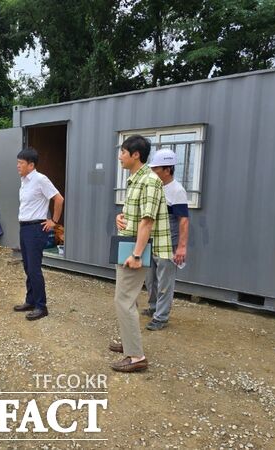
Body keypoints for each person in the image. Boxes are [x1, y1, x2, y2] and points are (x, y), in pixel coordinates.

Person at [110, 135, 172, 372]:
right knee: (128, 298)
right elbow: (136, 216)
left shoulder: (149, 181)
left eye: (123, 152)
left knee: (123, 300)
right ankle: (129, 343)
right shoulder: (136, 179)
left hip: (135, 249)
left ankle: (136, 357)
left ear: (136, 155)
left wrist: (136, 255)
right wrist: (120, 217)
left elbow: (147, 221)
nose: (120, 156)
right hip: (128, 244)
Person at [13, 147, 64, 321]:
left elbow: (59, 199)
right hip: (25, 228)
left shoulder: (41, 179)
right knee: (28, 266)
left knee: (34, 268)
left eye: (21, 163)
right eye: (18, 162)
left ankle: (41, 307)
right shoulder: (24, 181)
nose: (18, 166)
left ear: (31, 164)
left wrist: (54, 221)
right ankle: (31, 300)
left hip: (36, 229)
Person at [144, 149, 189, 329]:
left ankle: (161, 317)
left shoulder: (177, 190)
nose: (153, 172)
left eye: (156, 169)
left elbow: (183, 220)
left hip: (169, 243)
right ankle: (154, 306)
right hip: (152, 240)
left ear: (167, 169)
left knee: (165, 281)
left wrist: (181, 248)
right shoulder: (155, 187)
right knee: (150, 278)